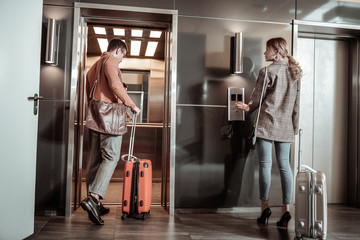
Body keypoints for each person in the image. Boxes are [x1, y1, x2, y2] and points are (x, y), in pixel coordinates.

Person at [235, 37, 302, 228]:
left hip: (266, 124)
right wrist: (294, 128)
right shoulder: (295, 73)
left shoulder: (267, 71)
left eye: (267, 50)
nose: (265, 53)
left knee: (264, 166)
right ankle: (286, 210)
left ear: (277, 51)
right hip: (285, 126)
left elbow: (256, 98)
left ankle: (264, 208)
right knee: (285, 167)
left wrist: (247, 107)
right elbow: (297, 105)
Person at [81, 39, 141, 225]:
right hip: (110, 118)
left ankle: (95, 204)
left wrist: (122, 109)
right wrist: (132, 105)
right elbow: (115, 86)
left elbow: (91, 91)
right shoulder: (110, 61)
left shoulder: (94, 66)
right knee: (112, 156)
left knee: (95, 158)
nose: (121, 60)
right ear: (118, 50)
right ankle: (93, 197)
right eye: (122, 55)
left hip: (95, 114)